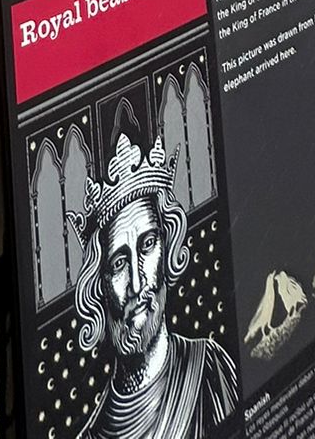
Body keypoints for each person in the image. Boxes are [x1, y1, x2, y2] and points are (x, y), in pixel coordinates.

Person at [70, 135, 237, 439]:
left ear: (167, 246)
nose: (137, 283)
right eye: (119, 263)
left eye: (147, 245)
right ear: (99, 286)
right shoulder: (91, 434)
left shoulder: (208, 369)